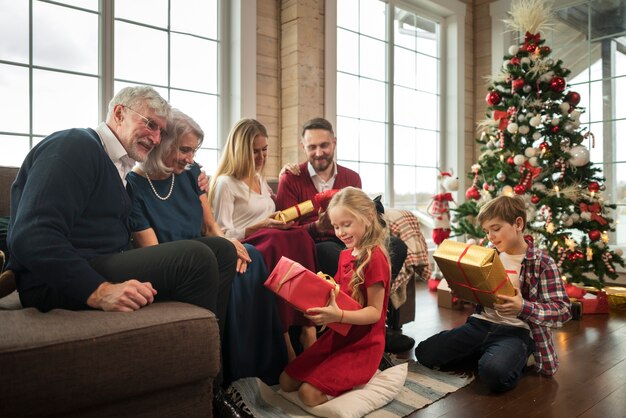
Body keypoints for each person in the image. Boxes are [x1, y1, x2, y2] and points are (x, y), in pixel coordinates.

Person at [7, 86, 236, 327]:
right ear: (119, 114)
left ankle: (210, 352)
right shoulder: (74, 145)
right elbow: (31, 236)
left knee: (222, 250)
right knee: (195, 257)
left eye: (161, 131)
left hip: (103, 261)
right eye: (150, 124)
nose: (157, 138)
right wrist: (100, 290)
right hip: (52, 280)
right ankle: (197, 359)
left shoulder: (119, 170)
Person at [127, 109, 286, 385]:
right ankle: (230, 375)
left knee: (253, 258)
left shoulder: (191, 175)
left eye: (194, 151)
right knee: (231, 267)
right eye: (185, 150)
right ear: (163, 143)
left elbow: (212, 228)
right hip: (177, 261)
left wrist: (233, 244)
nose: (191, 159)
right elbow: (152, 253)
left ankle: (261, 372)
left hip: (208, 248)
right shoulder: (134, 186)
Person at [275, 117, 413, 354]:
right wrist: (317, 227)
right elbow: (284, 230)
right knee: (336, 254)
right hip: (315, 242)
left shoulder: (351, 178)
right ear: (303, 146)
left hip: (354, 238)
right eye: (312, 147)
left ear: (334, 143)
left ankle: (371, 321)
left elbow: (361, 214)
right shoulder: (291, 178)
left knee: (396, 246)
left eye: (324, 145)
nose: (318, 152)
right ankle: (350, 325)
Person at [415, 195, 572, 392]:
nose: (490, 236)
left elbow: (563, 310)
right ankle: (488, 353)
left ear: (518, 223)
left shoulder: (542, 263)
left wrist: (522, 307)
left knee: (495, 375)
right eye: (487, 231)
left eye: (496, 229)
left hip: (517, 331)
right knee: (424, 353)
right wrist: (464, 288)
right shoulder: (489, 254)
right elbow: (481, 293)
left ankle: (517, 356)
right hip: (479, 324)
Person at [208, 118, 319, 361]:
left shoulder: (259, 179)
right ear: (239, 151)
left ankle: (308, 328)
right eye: (254, 151)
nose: (261, 157)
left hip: (271, 235)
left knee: (301, 236)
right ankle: (285, 339)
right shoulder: (226, 184)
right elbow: (222, 233)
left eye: (265, 150)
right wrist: (262, 224)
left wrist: (283, 180)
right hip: (248, 244)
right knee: (278, 243)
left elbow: (273, 211)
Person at [279, 187, 391, 406]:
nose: (340, 232)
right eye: (336, 226)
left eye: (346, 225)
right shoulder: (344, 255)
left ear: (368, 217)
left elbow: (375, 313)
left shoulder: (375, 258)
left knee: (308, 395)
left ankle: (363, 381)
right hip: (338, 337)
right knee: (285, 381)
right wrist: (308, 302)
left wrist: (337, 315)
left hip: (363, 345)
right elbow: (337, 296)